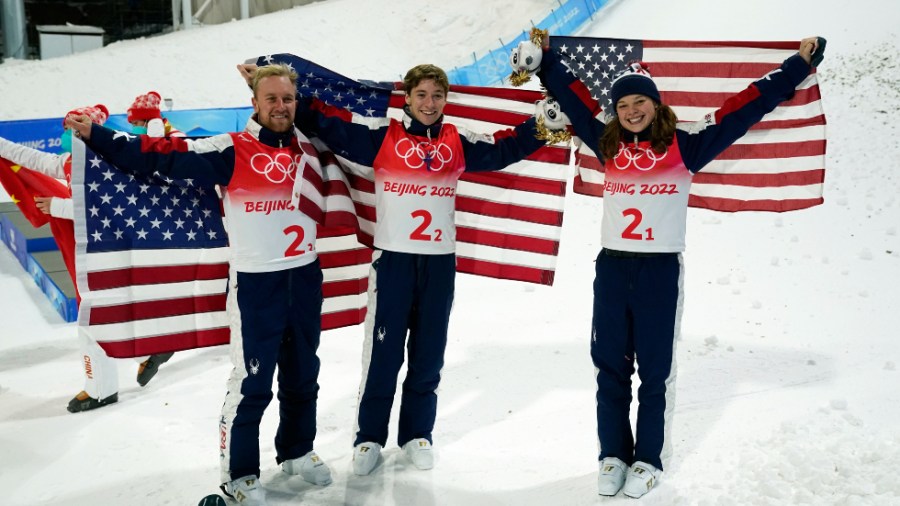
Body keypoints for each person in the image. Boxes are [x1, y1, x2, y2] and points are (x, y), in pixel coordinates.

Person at [510, 33, 824, 498]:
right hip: (613, 268)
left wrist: (797, 67)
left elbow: (746, 108)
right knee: (610, 367)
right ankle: (612, 455)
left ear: (656, 105)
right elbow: (574, 98)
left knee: (655, 372)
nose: (632, 110)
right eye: (623, 105)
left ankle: (649, 459)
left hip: (659, 272)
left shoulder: (688, 145)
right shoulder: (607, 142)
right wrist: (544, 64)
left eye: (640, 102)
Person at [238, 60, 568, 476]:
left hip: (439, 264)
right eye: (422, 95)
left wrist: (542, 123)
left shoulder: (456, 141)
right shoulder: (383, 138)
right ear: (407, 99)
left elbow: (503, 149)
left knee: (428, 355)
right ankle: (369, 438)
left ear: (446, 100)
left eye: (437, 95)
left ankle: (417, 434)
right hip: (393, 262)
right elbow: (324, 124)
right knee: (383, 355)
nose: (430, 104)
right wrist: (275, 89)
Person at [68, 64, 338, 506]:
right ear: (253, 104)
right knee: (252, 382)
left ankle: (298, 451)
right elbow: (160, 154)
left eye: (287, 99)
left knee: (304, 373)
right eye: (270, 99)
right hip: (256, 284)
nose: (281, 107)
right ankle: (240, 475)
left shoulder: (311, 146)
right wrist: (98, 137)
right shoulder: (231, 149)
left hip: (305, 277)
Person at [0, 102, 175, 413]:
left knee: (91, 323)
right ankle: (147, 351)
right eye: (66, 129)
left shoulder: (107, 164)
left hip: (105, 256)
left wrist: (55, 207)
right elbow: (30, 158)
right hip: (94, 255)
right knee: (106, 318)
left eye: (72, 129)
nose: (66, 135)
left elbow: (103, 213)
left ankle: (101, 389)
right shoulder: (72, 161)